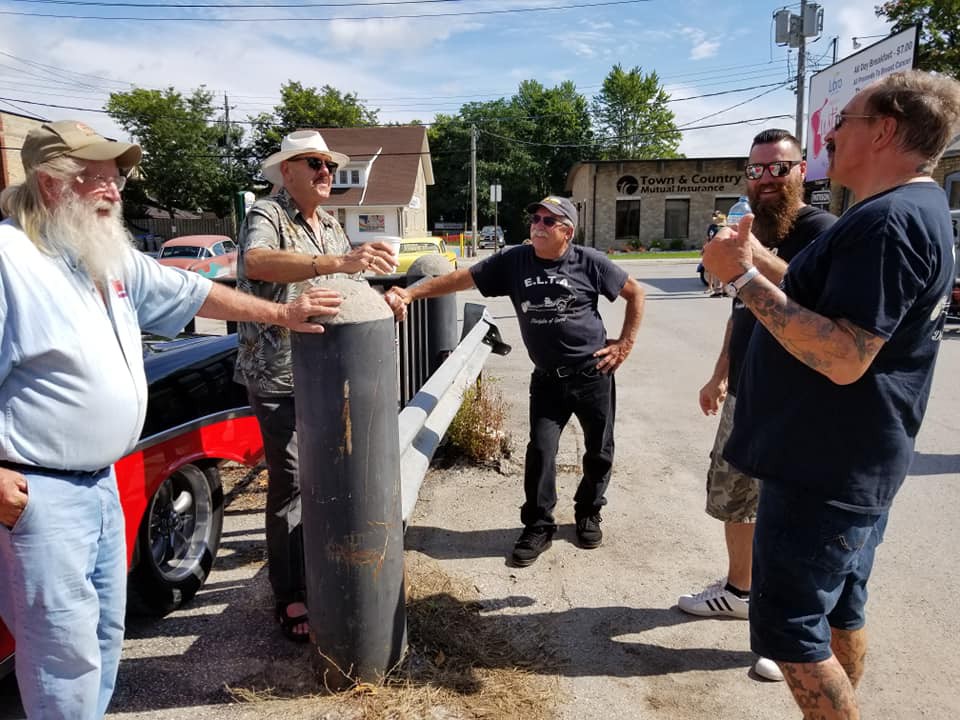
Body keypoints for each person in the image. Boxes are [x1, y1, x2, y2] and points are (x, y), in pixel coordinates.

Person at [0, 120, 344, 720]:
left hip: (100, 482)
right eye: (99, 177)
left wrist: (282, 314)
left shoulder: (101, 255)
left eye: (118, 177)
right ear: (52, 183)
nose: (115, 190)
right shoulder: (12, 259)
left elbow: (192, 293)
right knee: (61, 654)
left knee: (103, 636)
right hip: (41, 492)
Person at [703, 70, 960, 719]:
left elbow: (845, 356)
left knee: (792, 633)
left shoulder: (890, 222)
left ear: (885, 130)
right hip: (849, 460)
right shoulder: (907, 211)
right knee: (841, 609)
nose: (830, 135)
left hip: (824, 470)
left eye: (843, 120)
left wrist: (741, 278)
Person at [387, 195, 645, 567]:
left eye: (548, 221)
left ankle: (589, 511)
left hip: (592, 374)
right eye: (535, 219)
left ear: (567, 231)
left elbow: (635, 293)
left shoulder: (589, 262)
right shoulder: (515, 261)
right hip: (548, 380)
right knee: (541, 450)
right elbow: (462, 278)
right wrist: (411, 292)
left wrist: (625, 345)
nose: (538, 226)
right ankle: (539, 525)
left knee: (599, 450)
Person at [678, 129, 836, 682]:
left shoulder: (821, 231)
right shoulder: (755, 226)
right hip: (746, 392)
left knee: (785, 514)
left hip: (795, 402)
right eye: (756, 170)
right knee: (734, 500)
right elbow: (741, 309)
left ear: (802, 172)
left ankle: (786, 633)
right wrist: (719, 374)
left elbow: (819, 298)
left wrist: (750, 256)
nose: (765, 179)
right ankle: (739, 592)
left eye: (778, 168)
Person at [233, 129, 402, 642]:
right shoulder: (267, 213)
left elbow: (345, 284)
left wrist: (381, 299)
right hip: (279, 374)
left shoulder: (328, 224)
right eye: (314, 163)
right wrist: (336, 263)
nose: (326, 172)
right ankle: (290, 592)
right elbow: (256, 261)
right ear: (286, 170)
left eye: (329, 164)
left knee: (327, 473)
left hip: (328, 375)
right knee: (291, 481)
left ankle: (324, 569)